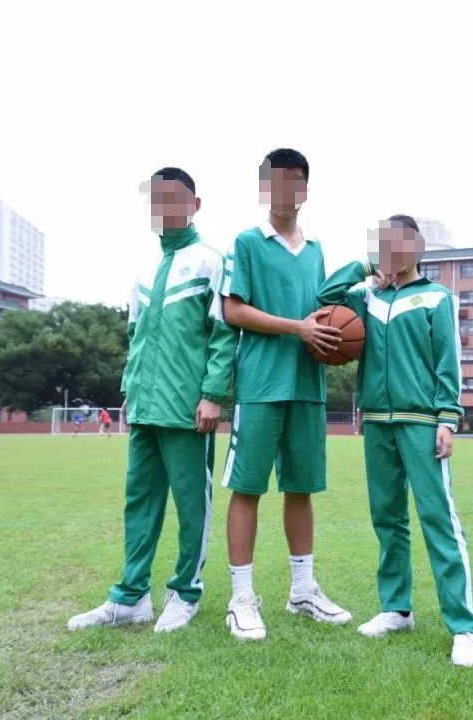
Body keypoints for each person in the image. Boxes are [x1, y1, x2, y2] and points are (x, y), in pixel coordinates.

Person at [68, 167, 235, 634]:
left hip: (188, 410)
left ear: (194, 205)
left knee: (192, 504)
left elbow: (223, 334)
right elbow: (135, 335)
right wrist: (129, 389)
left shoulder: (211, 261)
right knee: (139, 501)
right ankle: (131, 597)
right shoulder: (144, 269)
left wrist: (212, 395)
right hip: (144, 406)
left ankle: (185, 592)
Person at [318, 214, 473, 667]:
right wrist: (365, 267)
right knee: (387, 518)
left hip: (422, 422)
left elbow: (448, 362)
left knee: (438, 519)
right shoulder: (367, 297)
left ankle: (464, 628)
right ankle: (396, 609)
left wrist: (447, 418)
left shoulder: (437, 298)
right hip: (377, 422)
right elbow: (324, 296)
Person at [219, 148, 350, 641]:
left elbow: (326, 312)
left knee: (301, 487)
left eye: (293, 181)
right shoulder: (247, 242)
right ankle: (241, 598)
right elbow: (233, 310)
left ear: (305, 190)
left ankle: (302, 591)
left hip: (307, 385)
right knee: (247, 488)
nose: (284, 191)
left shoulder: (316, 250)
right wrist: (297, 327)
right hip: (260, 383)